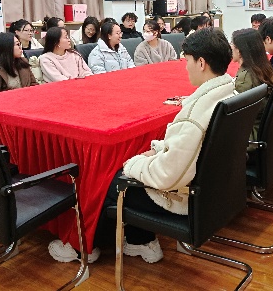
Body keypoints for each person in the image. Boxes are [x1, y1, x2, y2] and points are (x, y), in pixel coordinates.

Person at [88, 28, 235, 264]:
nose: (185, 67)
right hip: (217, 190)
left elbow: (166, 175)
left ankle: (94, 248)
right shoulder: (229, 92)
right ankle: (139, 241)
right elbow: (185, 148)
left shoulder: (196, 113)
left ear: (201, 63)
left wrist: (133, 164)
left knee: (111, 181)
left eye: (187, 60)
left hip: (187, 199)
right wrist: (157, 150)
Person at [231, 28, 273, 141]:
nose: (230, 47)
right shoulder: (263, 67)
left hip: (248, 134)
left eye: (233, 45)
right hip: (265, 130)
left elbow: (235, 115)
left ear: (240, 51)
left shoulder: (246, 77)